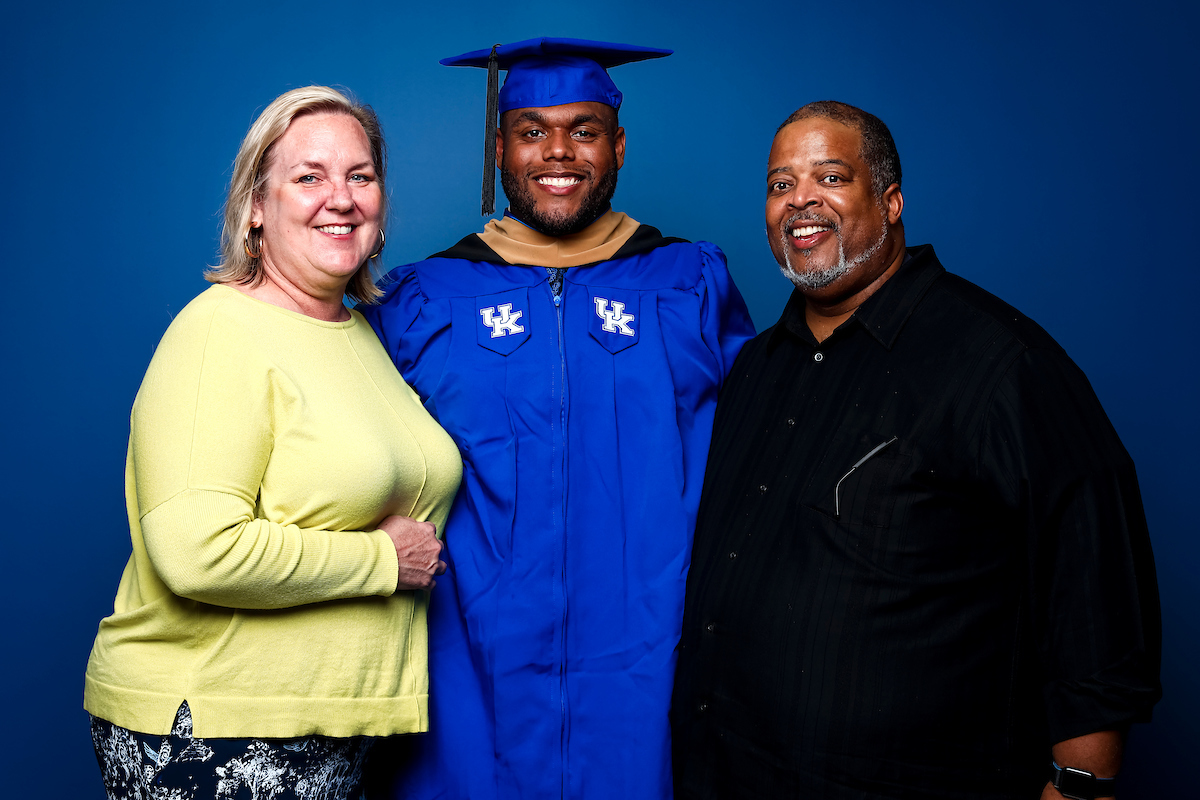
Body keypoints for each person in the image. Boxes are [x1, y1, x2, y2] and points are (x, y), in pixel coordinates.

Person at [671, 101, 1161, 800]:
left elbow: (1096, 600)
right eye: (781, 184)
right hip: (730, 776)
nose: (800, 200)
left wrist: (1080, 786)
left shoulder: (999, 364)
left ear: (891, 201)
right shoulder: (752, 370)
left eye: (831, 177)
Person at [361, 37, 755, 800]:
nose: (558, 152)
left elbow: (758, 457)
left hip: (652, 659)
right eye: (532, 130)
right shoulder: (423, 298)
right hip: (466, 667)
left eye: (583, 129)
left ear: (618, 145)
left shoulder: (689, 284)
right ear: (499, 146)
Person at [84, 85, 462, 800]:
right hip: (215, 726)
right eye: (309, 176)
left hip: (328, 726)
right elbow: (196, 551)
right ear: (256, 205)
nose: (341, 198)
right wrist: (382, 559)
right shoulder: (218, 332)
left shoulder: (359, 334)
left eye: (361, 175)